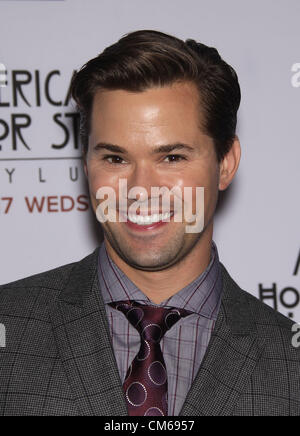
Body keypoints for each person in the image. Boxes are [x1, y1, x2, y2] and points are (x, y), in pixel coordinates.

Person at [0, 30, 299, 417]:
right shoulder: (9, 329)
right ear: (85, 163)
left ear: (225, 163)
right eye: (115, 159)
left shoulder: (289, 364)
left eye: (172, 158)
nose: (140, 190)